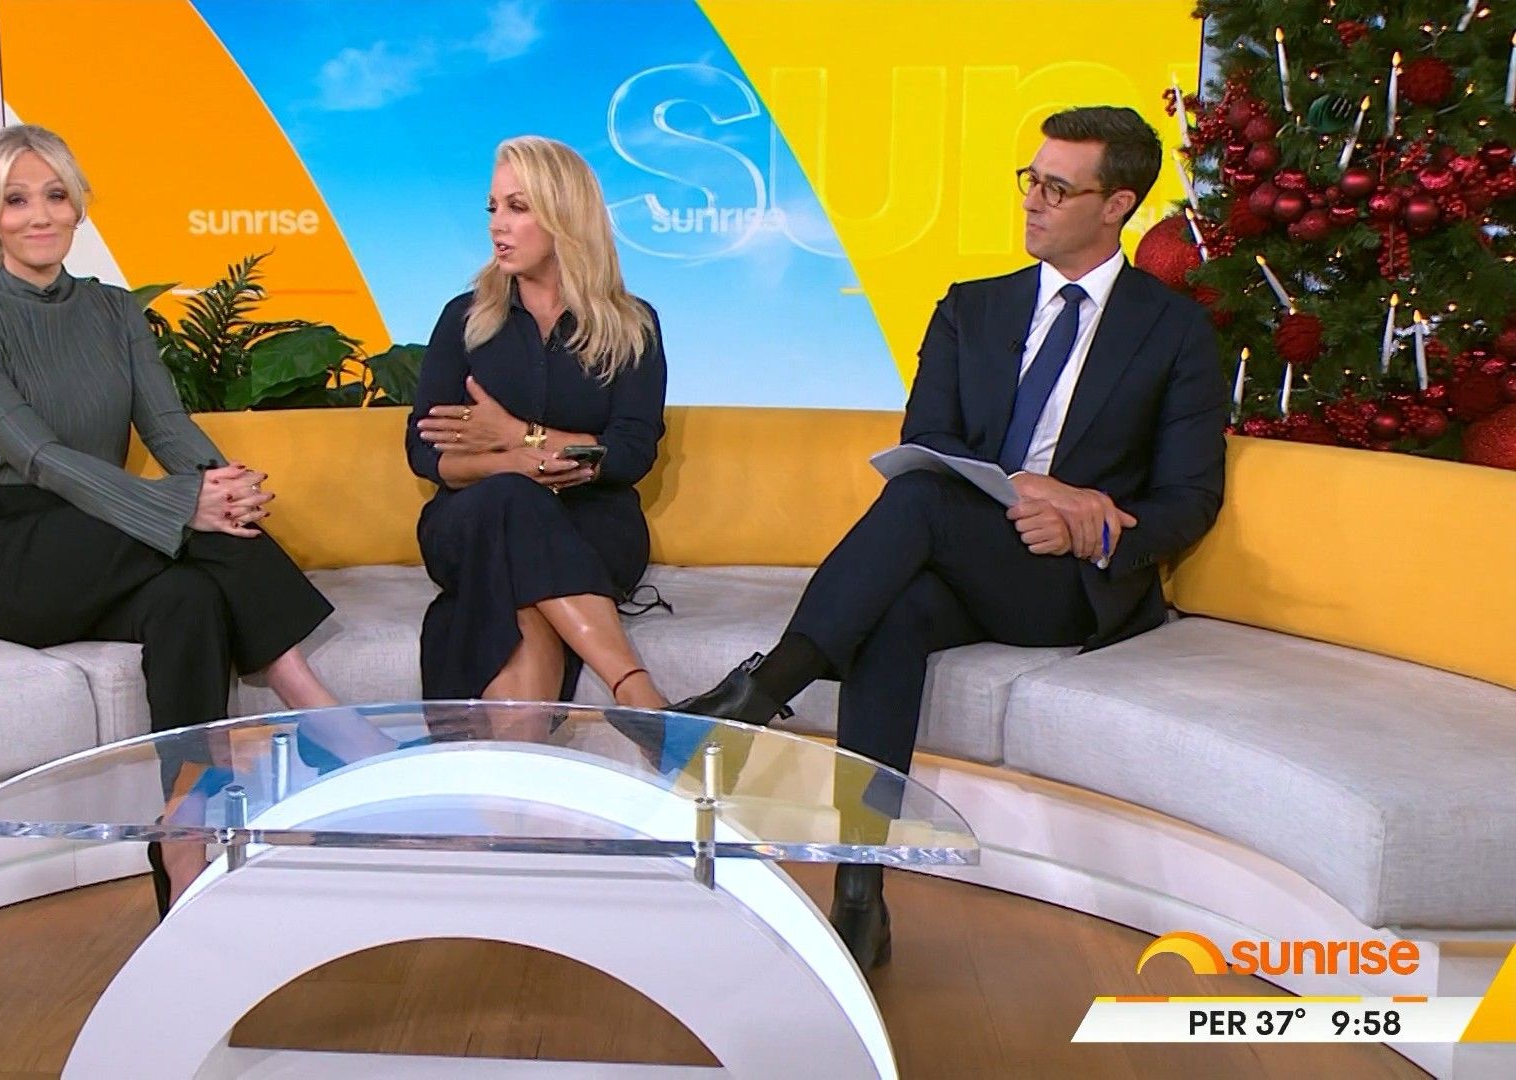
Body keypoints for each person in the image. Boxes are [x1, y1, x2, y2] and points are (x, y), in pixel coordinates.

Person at [670, 106, 1228, 970]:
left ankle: (753, 699)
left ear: (1117, 205)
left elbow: (1190, 499)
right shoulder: (973, 307)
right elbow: (930, 434)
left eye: (1057, 188)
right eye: (1031, 181)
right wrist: (1033, 487)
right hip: (970, 548)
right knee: (893, 613)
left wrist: (1086, 529)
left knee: (921, 500)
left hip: (1066, 581)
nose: (1032, 201)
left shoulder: (1175, 329)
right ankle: (860, 897)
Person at [0, 124, 341, 916]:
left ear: (79, 206)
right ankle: (308, 699)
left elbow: (165, 425)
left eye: (55, 195)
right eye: (16, 201)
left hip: (106, 536)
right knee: (191, 527)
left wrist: (219, 483)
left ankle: (184, 835)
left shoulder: (113, 311)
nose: (39, 215)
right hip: (14, 548)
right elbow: (42, 458)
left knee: (189, 600)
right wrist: (184, 505)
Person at [406, 135, 669, 714]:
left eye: (518, 207)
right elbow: (425, 453)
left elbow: (630, 450)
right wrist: (515, 464)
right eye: (493, 207)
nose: (497, 225)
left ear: (564, 216)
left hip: (592, 526)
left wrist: (516, 435)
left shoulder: (631, 325)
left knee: (514, 595)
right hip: (471, 519)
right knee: (511, 497)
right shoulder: (464, 318)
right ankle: (636, 693)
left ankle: (510, 774)